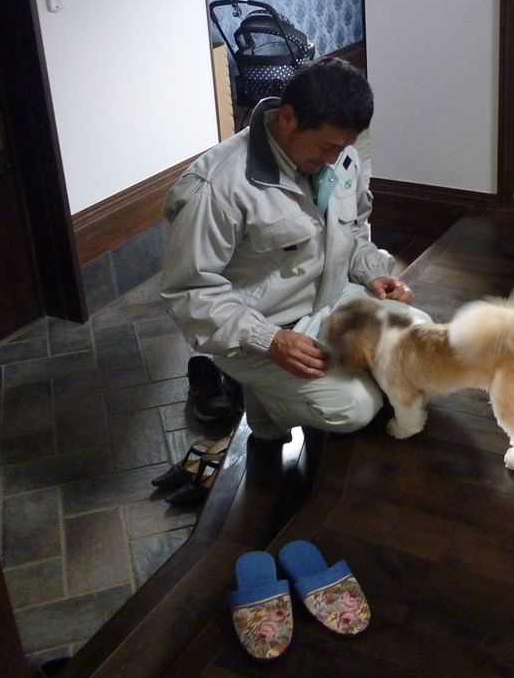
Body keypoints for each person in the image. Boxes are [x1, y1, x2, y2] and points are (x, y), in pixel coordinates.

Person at [160, 57, 428, 444]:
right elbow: (189, 291)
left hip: (334, 300)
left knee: (418, 341)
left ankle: (287, 391)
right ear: (287, 118)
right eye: (327, 146)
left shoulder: (340, 156)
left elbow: (353, 228)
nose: (335, 159)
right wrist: (267, 339)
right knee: (356, 406)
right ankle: (262, 405)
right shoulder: (218, 186)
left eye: (345, 147)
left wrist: (371, 271)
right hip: (264, 329)